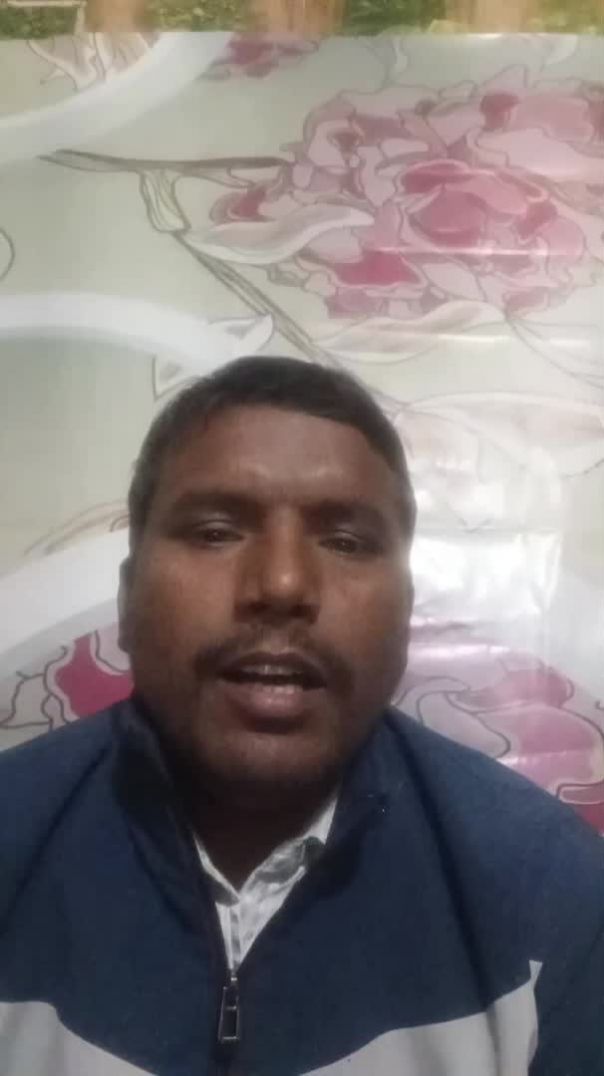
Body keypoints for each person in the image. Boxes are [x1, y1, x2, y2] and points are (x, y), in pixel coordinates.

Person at [0, 356, 602, 1076]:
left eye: (345, 541)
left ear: (406, 614)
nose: (283, 583)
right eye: (216, 531)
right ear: (128, 600)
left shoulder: (551, 894)